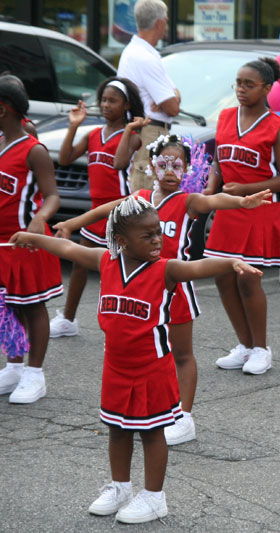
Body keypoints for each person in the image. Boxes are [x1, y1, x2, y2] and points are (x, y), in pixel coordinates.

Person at [10, 196, 262, 524]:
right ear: (120, 240)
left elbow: (197, 267)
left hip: (152, 369)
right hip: (115, 367)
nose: (157, 239)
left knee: (152, 432)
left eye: (158, 233)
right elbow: (69, 250)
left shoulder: (165, 270)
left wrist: (231, 263)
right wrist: (33, 238)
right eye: (147, 235)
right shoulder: (106, 262)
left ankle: (155, 498)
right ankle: (120, 488)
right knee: (117, 429)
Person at [53, 134, 271, 446]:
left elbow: (213, 201)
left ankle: (184, 417)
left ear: (187, 170)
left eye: (177, 165)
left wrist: (240, 202)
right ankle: (153, 410)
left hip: (174, 286)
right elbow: (108, 211)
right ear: (153, 166)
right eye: (164, 164)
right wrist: (73, 224)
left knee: (181, 354)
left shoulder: (188, 200)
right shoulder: (140, 198)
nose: (170, 171)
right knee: (148, 354)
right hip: (142, 289)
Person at [203, 57, 280, 375]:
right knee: (221, 276)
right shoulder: (227, 117)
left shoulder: (278, 127)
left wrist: (246, 188)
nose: (241, 89)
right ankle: (243, 346)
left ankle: (261, 349)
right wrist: (210, 192)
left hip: (260, 210)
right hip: (228, 208)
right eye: (238, 83)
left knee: (247, 280)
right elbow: (218, 163)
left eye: (249, 84)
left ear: (267, 88)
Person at [49, 77, 144, 338]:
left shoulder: (133, 137)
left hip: (119, 212)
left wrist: (126, 131)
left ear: (126, 105)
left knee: (123, 270)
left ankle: (129, 322)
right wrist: (73, 126)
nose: (105, 105)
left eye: (112, 101)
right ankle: (68, 319)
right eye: (103, 99)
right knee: (80, 264)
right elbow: (66, 158)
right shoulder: (92, 135)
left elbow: (118, 163)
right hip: (94, 211)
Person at [0, 75, 62, 404]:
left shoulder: (33, 150)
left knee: (32, 306)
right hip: (0, 245)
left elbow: (52, 196)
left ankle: (35, 374)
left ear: (3, 110)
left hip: (25, 241)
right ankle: (13, 366)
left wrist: (39, 220)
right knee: (8, 308)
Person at [117, 0, 180, 192]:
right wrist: (171, 98)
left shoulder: (138, 52)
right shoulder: (144, 57)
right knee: (148, 200)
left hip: (147, 131)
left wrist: (172, 96)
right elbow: (173, 108)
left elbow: (173, 97)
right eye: (166, 21)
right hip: (151, 132)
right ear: (160, 23)